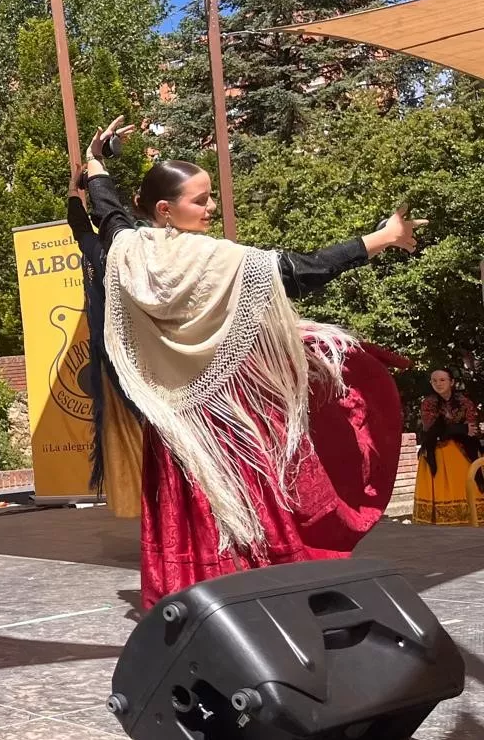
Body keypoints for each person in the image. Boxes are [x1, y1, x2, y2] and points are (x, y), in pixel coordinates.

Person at [84, 116, 419, 609]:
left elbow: (107, 211)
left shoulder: (128, 250)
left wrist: (96, 161)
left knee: (193, 501)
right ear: (165, 209)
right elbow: (301, 270)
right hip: (224, 414)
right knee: (251, 493)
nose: (211, 207)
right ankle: (258, 588)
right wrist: (381, 238)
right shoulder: (217, 258)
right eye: (200, 200)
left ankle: (191, 592)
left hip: (174, 415)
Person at [66, 175, 142, 519]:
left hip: (115, 354)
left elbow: (77, 222)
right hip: (121, 356)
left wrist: (74, 187)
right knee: (135, 429)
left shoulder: (101, 249)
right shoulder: (112, 250)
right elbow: (79, 222)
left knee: (132, 430)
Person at [414, 368, 479, 526]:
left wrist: (449, 430)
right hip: (436, 454)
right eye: (434, 380)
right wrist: (459, 429)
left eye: (442, 380)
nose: (438, 383)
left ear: (452, 382)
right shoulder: (428, 403)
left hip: (464, 453)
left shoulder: (465, 401)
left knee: (468, 486)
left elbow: (473, 429)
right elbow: (431, 430)